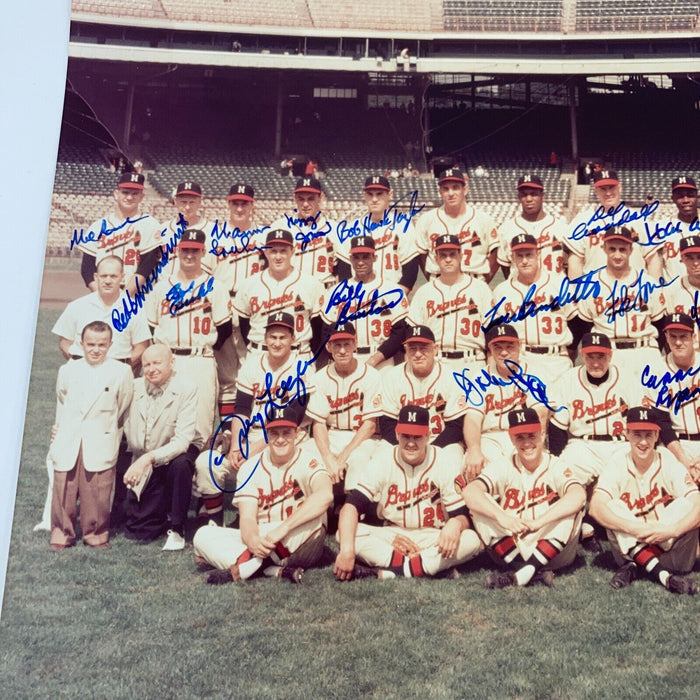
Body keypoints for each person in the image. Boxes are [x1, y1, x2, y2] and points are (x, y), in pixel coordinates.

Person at [333, 405, 481, 580]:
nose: (411, 442)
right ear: (397, 434)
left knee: (471, 540)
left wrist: (456, 524)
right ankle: (426, 566)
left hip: (432, 536)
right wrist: (347, 552)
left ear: (427, 435)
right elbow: (351, 506)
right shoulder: (383, 460)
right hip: (393, 535)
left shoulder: (444, 461)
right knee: (344, 534)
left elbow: (462, 516)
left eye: (417, 436)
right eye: (406, 436)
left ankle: (395, 570)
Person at [193, 406, 333, 585]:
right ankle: (269, 568)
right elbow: (248, 518)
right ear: (266, 435)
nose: (281, 439)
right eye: (274, 433)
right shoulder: (250, 467)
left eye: (286, 433)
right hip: (262, 538)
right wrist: (252, 540)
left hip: (295, 538)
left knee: (317, 519)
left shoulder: (309, 459)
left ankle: (242, 569)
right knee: (202, 535)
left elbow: (325, 495)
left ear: (297, 433)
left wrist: (283, 529)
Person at [463, 407, 586, 588]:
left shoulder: (556, 464)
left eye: (532, 436)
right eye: (520, 437)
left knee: (572, 507)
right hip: (513, 545)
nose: (527, 442)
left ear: (542, 435)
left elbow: (578, 495)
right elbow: (470, 492)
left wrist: (540, 522)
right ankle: (527, 571)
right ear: (512, 439)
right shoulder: (504, 465)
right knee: (478, 506)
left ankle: (523, 571)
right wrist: (502, 518)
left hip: (552, 547)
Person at [589, 406, 699, 594]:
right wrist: (635, 529)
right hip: (632, 541)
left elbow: (697, 502)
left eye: (648, 435)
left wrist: (672, 529)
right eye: (637, 434)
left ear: (657, 436)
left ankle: (637, 566)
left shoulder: (668, 460)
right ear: (627, 435)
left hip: (671, 551)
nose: (642, 442)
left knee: (685, 504)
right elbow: (595, 508)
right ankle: (665, 577)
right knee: (613, 506)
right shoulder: (617, 463)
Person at [48, 321, 134, 550]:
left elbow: (123, 406)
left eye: (102, 345)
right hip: (70, 437)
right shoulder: (68, 370)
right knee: (64, 487)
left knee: (97, 490)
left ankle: (95, 533)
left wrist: (107, 429)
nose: (96, 349)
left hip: (101, 437)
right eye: (91, 344)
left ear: (110, 345)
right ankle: (61, 533)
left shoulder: (121, 371)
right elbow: (63, 399)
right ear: (81, 344)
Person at [147, 229, 233, 443]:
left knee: (199, 425)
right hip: (168, 361)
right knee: (163, 423)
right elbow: (151, 329)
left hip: (199, 360)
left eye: (195, 251)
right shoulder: (161, 288)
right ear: (177, 251)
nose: (189, 255)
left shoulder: (215, 286)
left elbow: (225, 329)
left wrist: (204, 348)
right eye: (185, 250)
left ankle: (195, 474)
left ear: (203, 252)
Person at [122, 344, 203, 550]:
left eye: (157, 363)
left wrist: (147, 459)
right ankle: (154, 510)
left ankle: (177, 527)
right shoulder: (134, 386)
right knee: (139, 531)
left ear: (172, 363)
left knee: (182, 464)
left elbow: (182, 441)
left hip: (176, 452)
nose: (151, 369)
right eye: (146, 364)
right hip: (144, 454)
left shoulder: (187, 387)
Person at [576, 227, 665, 382]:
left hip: (644, 351)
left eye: (622, 249)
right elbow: (584, 327)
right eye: (612, 249)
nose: (617, 255)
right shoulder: (590, 285)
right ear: (603, 248)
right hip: (609, 353)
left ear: (631, 250)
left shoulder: (647, 283)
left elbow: (660, 324)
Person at [305, 322, 382, 501]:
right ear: (328, 346)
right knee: (306, 454)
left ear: (355, 344)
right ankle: (323, 510)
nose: (342, 350)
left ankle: (355, 510)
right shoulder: (320, 377)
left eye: (347, 344)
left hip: (362, 437)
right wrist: (328, 457)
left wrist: (342, 457)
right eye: (337, 345)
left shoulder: (372, 375)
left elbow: (370, 426)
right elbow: (319, 424)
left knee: (359, 459)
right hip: (332, 435)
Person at [462, 325, 548, 480]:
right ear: (490, 349)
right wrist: (474, 449)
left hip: (523, 437)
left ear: (519, 346)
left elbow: (541, 413)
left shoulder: (533, 373)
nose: (503, 352)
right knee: (471, 468)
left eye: (510, 347)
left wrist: (537, 443)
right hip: (490, 438)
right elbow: (473, 419)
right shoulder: (479, 377)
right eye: (498, 347)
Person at [211, 182, 268, 416]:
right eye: (235, 202)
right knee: (225, 373)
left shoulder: (263, 235)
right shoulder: (214, 235)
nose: (240, 207)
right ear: (228, 203)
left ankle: (250, 423)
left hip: (252, 306)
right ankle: (226, 428)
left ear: (252, 205)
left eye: (244, 203)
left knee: (252, 366)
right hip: (223, 302)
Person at [490, 233, 575, 386]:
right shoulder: (502, 291)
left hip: (556, 360)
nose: (524, 261)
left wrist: (569, 350)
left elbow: (577, 322)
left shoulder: (559, 284)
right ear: (512, 258)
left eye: (528, 255)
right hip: (522, 361)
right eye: (519, 256)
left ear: (538, 254)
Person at [377, 325, 468, 463]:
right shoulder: (392, 376)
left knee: (453, 458)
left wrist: (429, 451)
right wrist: (407, 448)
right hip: (403, 443)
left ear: (435, 349)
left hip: (442, 442)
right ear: (406, 351)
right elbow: (387, 423)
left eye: (423, 348)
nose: (418, 354)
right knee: (381, 456)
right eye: (413, 349)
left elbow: (456, 427)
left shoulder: (452, 377)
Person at [322, 235, 409, 370]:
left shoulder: (392, 290)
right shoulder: (335, 292)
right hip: (347, 359)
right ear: (350, 259)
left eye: (365, 257)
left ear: (375, 257)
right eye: (356, 257)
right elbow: (326, 332)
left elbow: (400, 332)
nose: (360, 262)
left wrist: (375, 359)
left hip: (382, 361)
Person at [234, 229, 324, 359]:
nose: (278, 257)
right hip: (259, 353)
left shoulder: (311, 284)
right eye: (273, 251)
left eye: (283, 251)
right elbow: (244, 325)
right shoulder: (249, 284)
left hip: (298, 354)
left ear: (292, 251)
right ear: (265, 252)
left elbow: (318, 327)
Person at [408, 233, 492, 371]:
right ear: (436, 259)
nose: (448, 259)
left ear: (461, 256)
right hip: (437, 362)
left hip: (473, 361)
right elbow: (413, 332)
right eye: (443, 255)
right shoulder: (424, 292)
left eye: (452, 254)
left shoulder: (481, 289)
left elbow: (491, 330)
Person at [52, 255, 150, 367]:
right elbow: (65, 342)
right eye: (103, 276)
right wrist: (79, 365)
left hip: (118, 370)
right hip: (82, 370)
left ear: (122, 277)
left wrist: (121, 370)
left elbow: (141, 347)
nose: (108, 281)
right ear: (96, 277)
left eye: (113, 276)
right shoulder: (77, 306)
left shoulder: (135, 308)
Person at [76, 171, 164, 296]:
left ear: (141, 197)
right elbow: (87, 269)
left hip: (137, 296)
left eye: (135, 193)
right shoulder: (98, 227)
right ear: (116, 194)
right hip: (102, 296)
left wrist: (124, 297)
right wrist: (102, 296)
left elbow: (147, 266)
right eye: (125, 192)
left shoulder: (149, 224)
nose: (129, 197)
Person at [566, 169, 662, 279]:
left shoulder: (640, 220)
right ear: (596, 191)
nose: (608, 193)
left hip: (634, 290)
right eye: (603, 189)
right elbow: (575, 261)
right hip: (595, 290)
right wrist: (576, 291)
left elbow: (653, 260)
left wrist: (654, 292)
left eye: (612, 187)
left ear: (619, 187)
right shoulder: (583, 220)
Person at [335, 175, 420, 294]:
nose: (374, 199)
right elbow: (344, 269)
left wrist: (396, 297)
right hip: (358, 296)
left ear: (390, 195)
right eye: (370, 194)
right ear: (364, 195)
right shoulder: (351, 228)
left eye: (379, 194)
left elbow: (410, 269)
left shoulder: (403, 226)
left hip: (392, 295)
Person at [414, 167, 499, 282]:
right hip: (439, 279)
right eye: (446, 189)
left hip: (474, 278)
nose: (451, 193)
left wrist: (484, 280)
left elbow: (494, 252)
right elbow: (422, 256)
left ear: (465, 190)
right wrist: (431, 279)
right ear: (440, 192)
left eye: (455, 188)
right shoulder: (426, 220)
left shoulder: (483, 219)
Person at [269, 176, 337, 288]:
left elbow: (344, 268)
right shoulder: (280, 226)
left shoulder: (334, 228)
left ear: (321, 198)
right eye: (301, 199)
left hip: (324, 290)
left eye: (310, 199)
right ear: (294, 198)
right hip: (289, 290)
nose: (305, 204)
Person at [496, 174, 568, 278]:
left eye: (534, 194)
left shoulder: (561, 228)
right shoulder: (506, 229)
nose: (529, 199)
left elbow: (568, 266)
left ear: (543, 195)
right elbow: (506, 267)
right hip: (521, 291)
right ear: (519, 197)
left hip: (555, 290)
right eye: (524, 195)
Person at [162, 181, 217, 276]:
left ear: (200, 202)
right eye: (183, 202)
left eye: (192, 202)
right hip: (166, 287)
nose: (187, 207)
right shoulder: (163, 229)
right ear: (175, 201)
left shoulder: (213, 230)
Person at [659, 176, 700, 283]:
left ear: (697, 197)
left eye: (690, 195)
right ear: (673, 199)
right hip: (674, 295)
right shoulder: (662, 228)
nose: (686, 200)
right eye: (680, 196)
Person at [663, 236, 700, 340]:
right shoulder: (671, 291)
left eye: (699, 257)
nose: (696, 263)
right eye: (690, 258)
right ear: (682, 259)